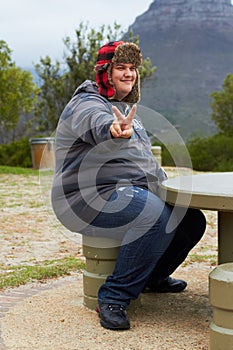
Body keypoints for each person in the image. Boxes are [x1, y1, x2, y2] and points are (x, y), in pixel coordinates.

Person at [51, 41, 206, 331]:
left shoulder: (126, 109)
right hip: (82, 200)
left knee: (191, 219)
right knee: (151, 215)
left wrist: (166, 189)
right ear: (105, 72)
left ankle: (152, 278)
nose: (128, 74)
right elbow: (95, 123)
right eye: (120, 67)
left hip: (120, 191)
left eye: (132, 68)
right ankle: (113, 297)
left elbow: (141, 160)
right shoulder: (86, 103)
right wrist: (110, 129)